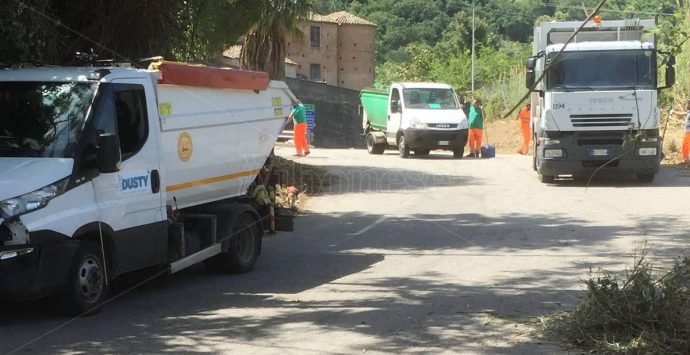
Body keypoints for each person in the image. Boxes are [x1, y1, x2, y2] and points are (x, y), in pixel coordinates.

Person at [670, 99, 690, 164]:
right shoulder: (688, 112)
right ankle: (685, 159)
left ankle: (685, 159)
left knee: (686, 145)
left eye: (687, 104)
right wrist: (673, 111)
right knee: (685, 145)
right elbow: (681, 113)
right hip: (687, 131)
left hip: (689, 132)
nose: (686, 105)